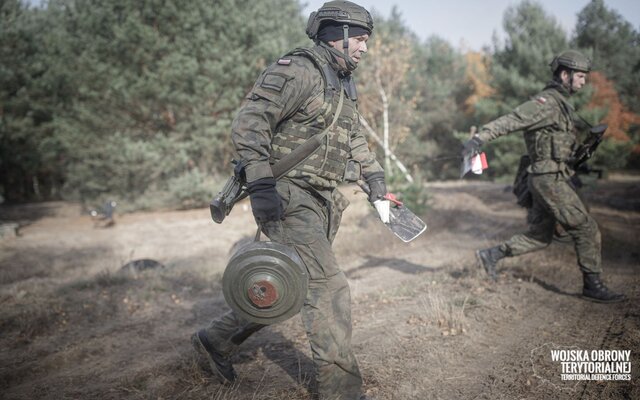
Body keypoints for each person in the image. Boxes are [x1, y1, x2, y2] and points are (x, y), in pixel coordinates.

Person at [192, 2, 386, 399]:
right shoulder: (299, 69)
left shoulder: (342, 82)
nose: (365, 49)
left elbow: (351, 137)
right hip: (288, 196)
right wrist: (262, 186)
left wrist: (375, 176)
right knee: (328, 289)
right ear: (339, 34)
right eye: (361, 40)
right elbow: (250, 122)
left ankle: (217, 340)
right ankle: (343, 392)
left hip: (322, 201)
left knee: (292, 285)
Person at [462, 50, 626, 304]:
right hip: (548, 179)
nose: (584, 82)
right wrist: (478, 138)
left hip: (551, 176)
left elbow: (556, 144)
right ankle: (593, 286)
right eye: (580, 76)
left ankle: (491, 255)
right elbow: (512, 120)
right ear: (565, 74)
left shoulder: (561, 104)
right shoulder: (547, 103)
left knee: (540, 235)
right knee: (586, 228)